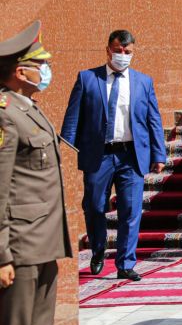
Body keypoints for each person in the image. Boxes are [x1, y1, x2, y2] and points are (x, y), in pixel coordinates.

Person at [0, 21, 73, 325]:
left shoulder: (28, 107)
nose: (46, 70)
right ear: (17, 70)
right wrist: (1, 254)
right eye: (38, 65)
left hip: (43, 241)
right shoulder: (6, 114)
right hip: (19, 247)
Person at [61, 30, 167, 282]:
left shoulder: (143, 82)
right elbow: (73, 118)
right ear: (108, 49)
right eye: (118, 51)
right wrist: (66, 149)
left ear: (133, 52)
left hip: (131, 155)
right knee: (95, 206)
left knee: (130, 210)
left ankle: (126, 263)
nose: (122, 56)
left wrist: (158, 153)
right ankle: (98, 250)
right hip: (99, 155)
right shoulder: (88, 78)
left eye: (127, 52)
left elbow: (153, 119)